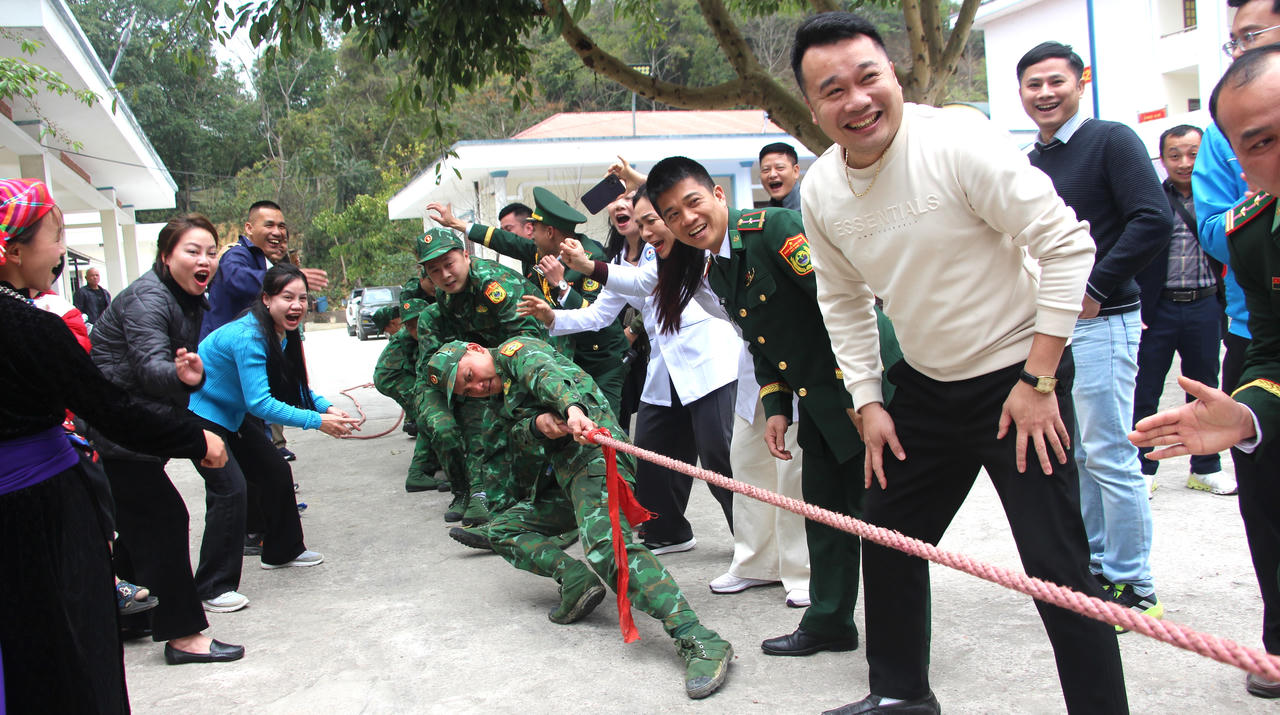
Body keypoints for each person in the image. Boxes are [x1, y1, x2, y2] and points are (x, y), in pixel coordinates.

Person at [792, 13, 1126, 713]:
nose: (856, 101)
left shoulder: (956, 140)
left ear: (894, 78)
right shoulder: (820, 188)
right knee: (885, 536)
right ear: (812, 107)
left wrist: (1039, 379)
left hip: (1018, 378)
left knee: (1056, 567)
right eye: (832, 90)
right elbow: (843, 300)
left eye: (868, 78)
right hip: (925, 386)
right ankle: (900, 694)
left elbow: (1067, 247)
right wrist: (869, 398)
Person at [0, 178, 228, 712]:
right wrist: (195, 436)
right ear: (12, 249)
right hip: (44, 504)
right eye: (55, 237)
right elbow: (113, 406)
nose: (62, 251)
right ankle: (181, 632)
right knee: (70, 639)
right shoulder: (32, 326)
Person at [425, 337, 733, 700]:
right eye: (467, 389)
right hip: (563, 477)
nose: (476, 386)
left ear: (475, 350)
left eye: (469, 375)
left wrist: (570, 409)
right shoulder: (496, 404)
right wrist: (539, 425)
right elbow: (514, 440)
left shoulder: (516, 352)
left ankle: (699, 638)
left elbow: (547, 375)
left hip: (597, 457)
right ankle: (575, 580)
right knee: (504, 528)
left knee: (607, 549)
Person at [1132, 43, 1280, 700]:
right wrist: (1246, 414)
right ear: (1240, 161)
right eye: (1262, 141)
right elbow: (1273, 354)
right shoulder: (1256, 234)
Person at [1019, 40, 1173, 629]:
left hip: (1103, 322)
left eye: (1056, 81)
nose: (1045, 94)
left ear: (1081, 81)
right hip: (1052, 332)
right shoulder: (1031, 161)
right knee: (1077, 456)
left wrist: (1096, 289)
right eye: (1033, 85)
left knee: (1111, 454)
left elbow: (1151, 219)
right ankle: (1096, 571)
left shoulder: (1110, 139)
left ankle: (1135, 584)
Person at [521, 186, 739, 555]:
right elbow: (600, 314)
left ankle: (754, 543)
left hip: (708, 361)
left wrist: (590, 268)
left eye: (645, 216)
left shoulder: (682, 249)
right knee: (652, 452)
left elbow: (643, 283)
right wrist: (553, 316)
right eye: (626, 214)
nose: (630, 217)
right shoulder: (624, 259)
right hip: (664, 368)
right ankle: (667, 532)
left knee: (720, 456)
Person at [89, 213, 246, 664]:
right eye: (192, 251)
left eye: (211, 252)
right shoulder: (148, 298)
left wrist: (184, 380)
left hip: (134, 429)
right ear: (165, 256)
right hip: (119, 429)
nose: (205, 260)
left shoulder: (184, 296)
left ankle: (132, 615)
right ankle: (183, 635)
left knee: (138, 525)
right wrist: (183, 377)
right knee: (163, 519)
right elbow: (150, 366)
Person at [189, 263, 359, 612]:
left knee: (275, 471)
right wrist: (317, 421)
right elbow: (261, 403)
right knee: (230, 489)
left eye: (302, 298)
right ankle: (211, 586)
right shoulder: (249, 336)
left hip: (232, 416)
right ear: (266, 299)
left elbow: (291, 386)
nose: (297, 305)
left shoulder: (281, 333)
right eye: (287, 297)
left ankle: (282, 551)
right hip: (202, 417)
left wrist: (328, 407)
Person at [428, 189, 630, 416]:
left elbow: (596, 316)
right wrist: (456, 223)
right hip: (570, 352)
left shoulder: (591, 257)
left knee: (607, 423)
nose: (531, 234)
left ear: (550, 232)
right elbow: (505, 241)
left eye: (536, 228)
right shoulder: (542, 251)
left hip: (601, 356)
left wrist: (561, 285)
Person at [410, 228, 552, 525]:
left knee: (502, 420)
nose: (446, 274)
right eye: (435, 270)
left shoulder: (491, 284)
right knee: (465, 407)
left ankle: (508, 501)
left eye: (449, 264)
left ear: (465, 256)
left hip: (536, 359)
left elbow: (528, 339)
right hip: (493, 362)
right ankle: (474, 492)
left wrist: (484, 366)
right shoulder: (445, 297)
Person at [1133, 124, 1234, 494]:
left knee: (1206, 391)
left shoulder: (1219, 200)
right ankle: (1142, 468)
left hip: (1205, 305)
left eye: (1193, 153)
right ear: (1163, 159)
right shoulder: (1150, 200)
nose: (1184, 162)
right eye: (1174, 154)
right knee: (1145, 389)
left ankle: (1205, 467)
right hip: (1158, 310)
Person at [373, 298, 447, 492]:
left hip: (399, 375)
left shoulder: (431, 331)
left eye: (418, 323)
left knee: (425, 413)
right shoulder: (408, 338)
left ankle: (435, 460)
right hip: (392, 377)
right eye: (410, 325)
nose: (415, 329)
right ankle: (418, 473)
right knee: (429, 416)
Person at [759, 142, 804, 210]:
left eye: (780, 167)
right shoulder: (765, 215)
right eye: (766, 170)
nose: (772, 175)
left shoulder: (811, 207)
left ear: (795, 171)